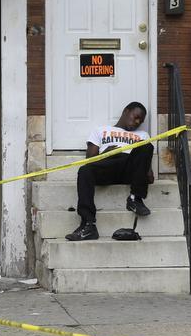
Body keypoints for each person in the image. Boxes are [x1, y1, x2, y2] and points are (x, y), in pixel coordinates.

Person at [65, 102, 154, 241]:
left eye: (140, 121)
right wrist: (106, 154)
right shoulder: (100, 130)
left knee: (146, 146)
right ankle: (88, 224)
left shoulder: (143, 135)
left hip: (129, 170)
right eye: (135, 117)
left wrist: (144, 165)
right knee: (84, 171)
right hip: (108, 166)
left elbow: (149, 176)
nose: (137, 122)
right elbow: (89, 161)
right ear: (126, 111)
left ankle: (135, 199)